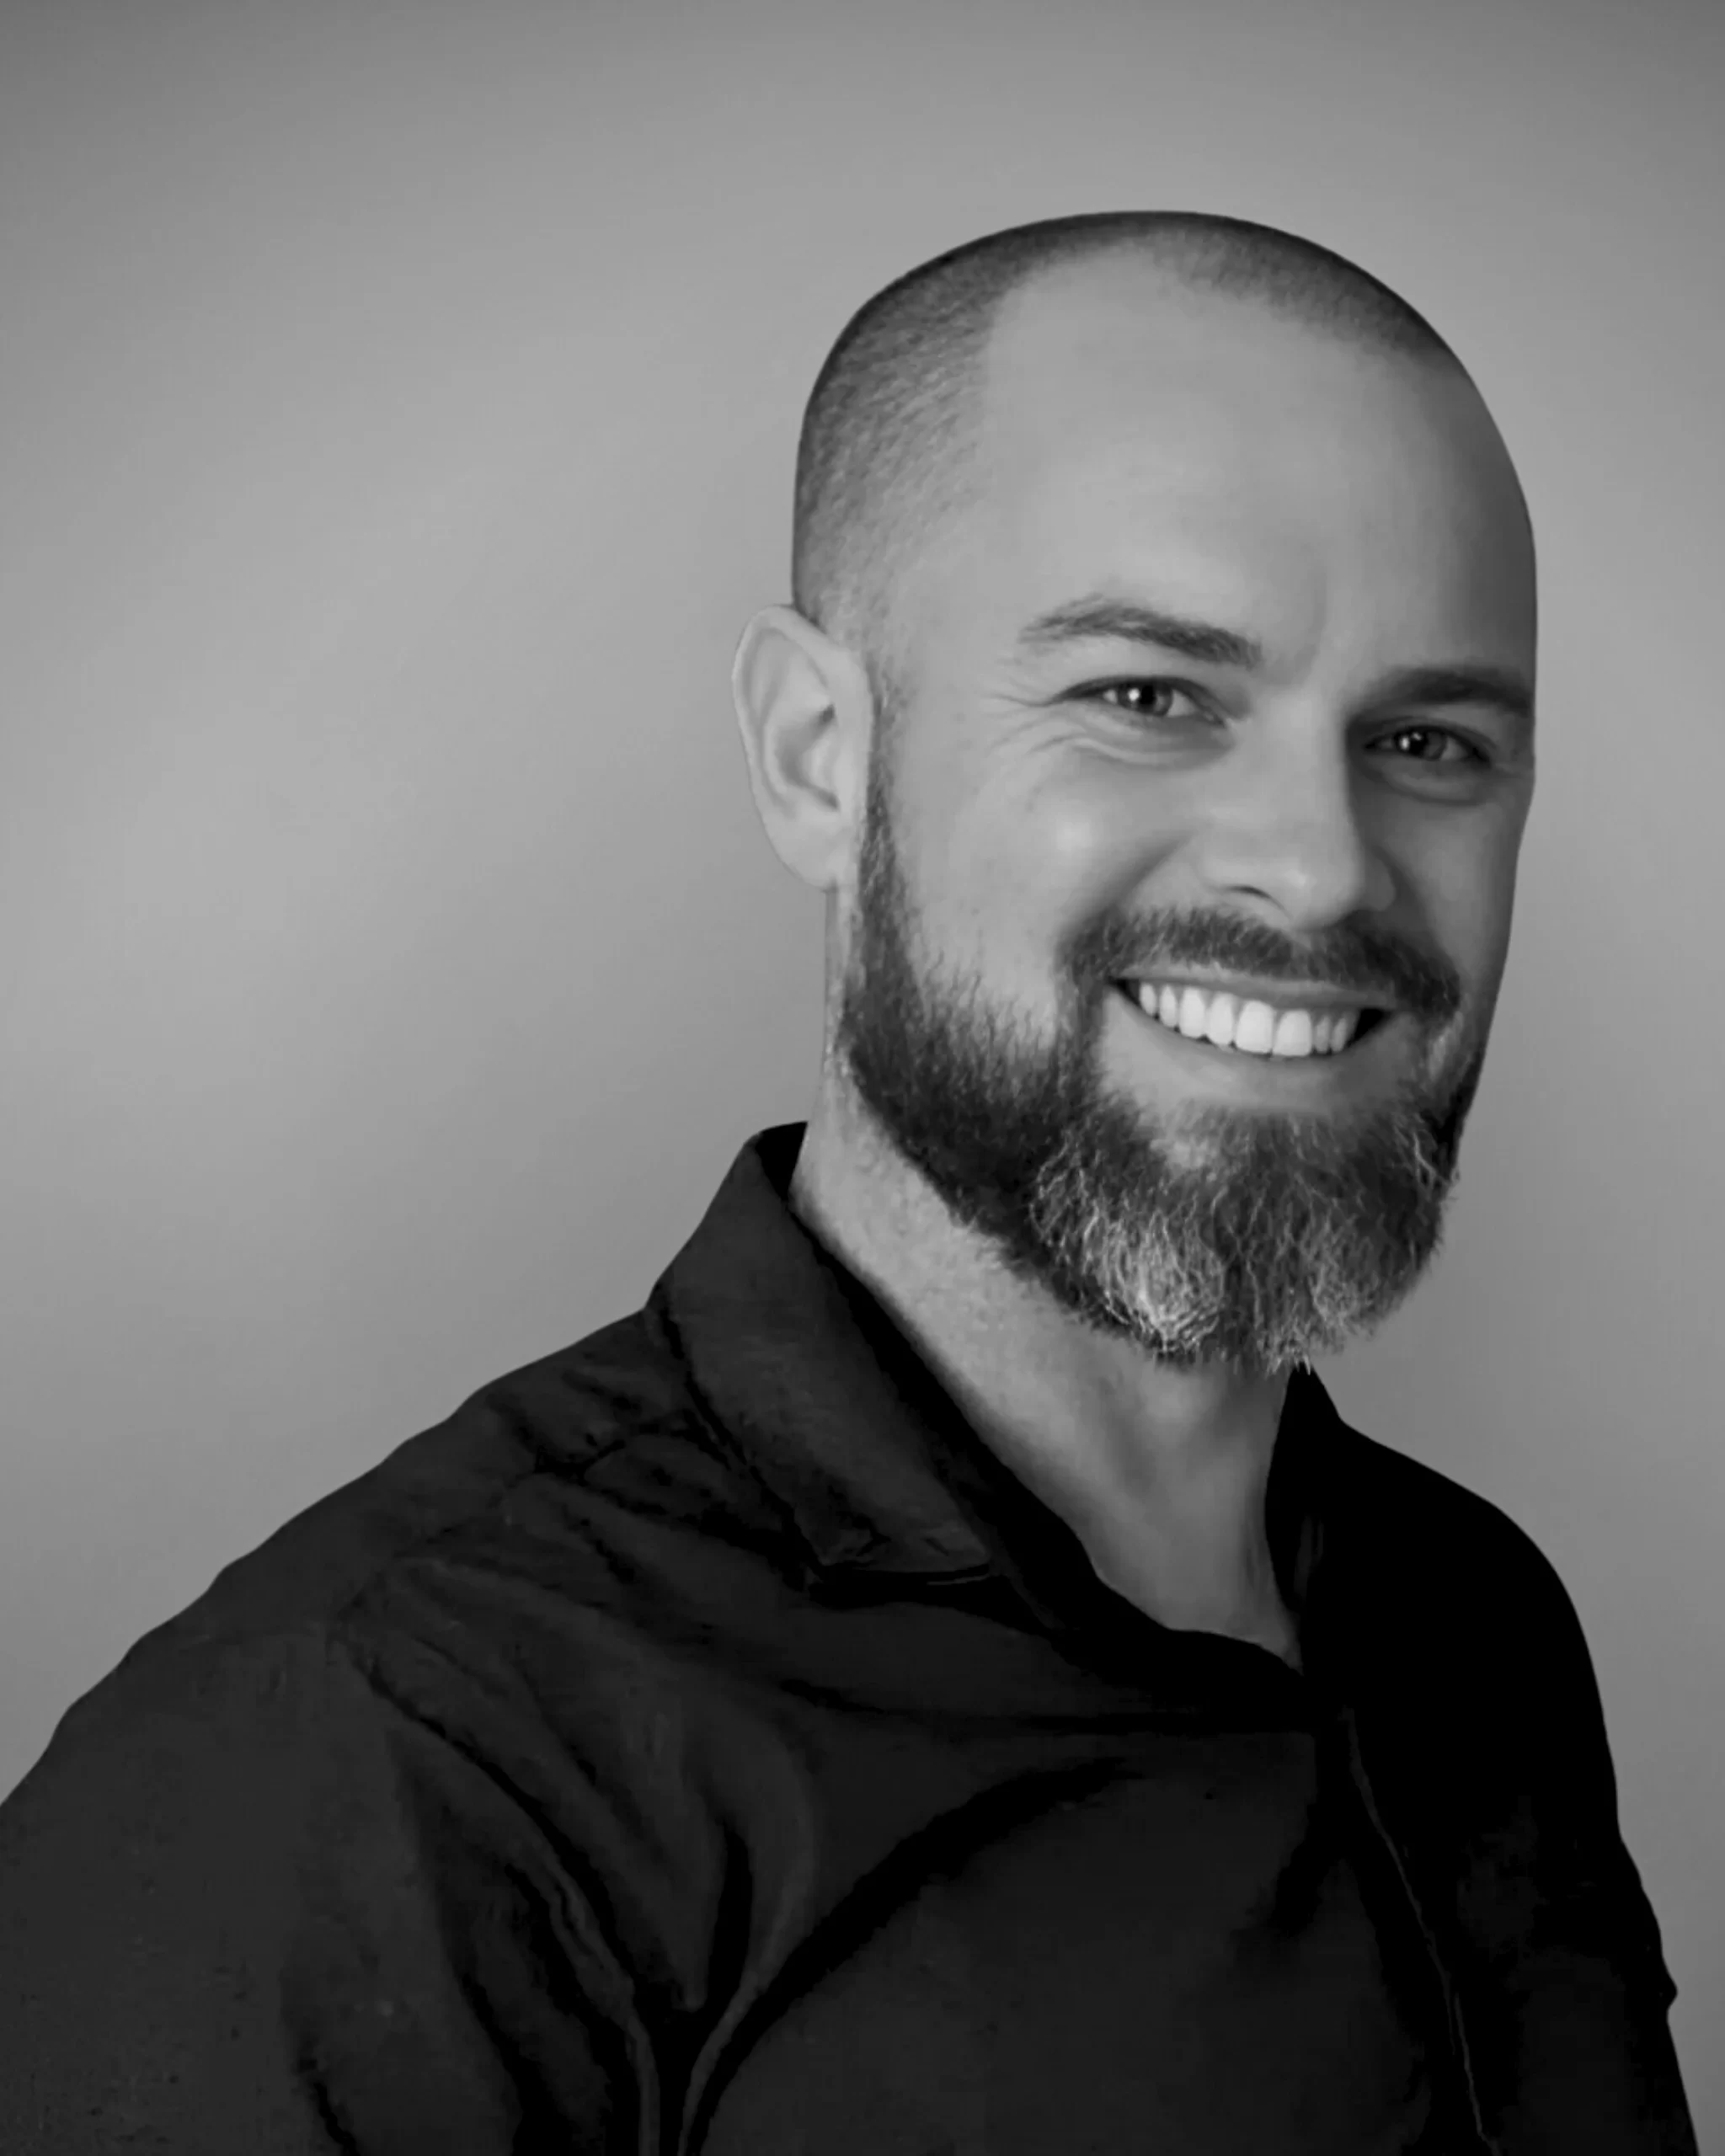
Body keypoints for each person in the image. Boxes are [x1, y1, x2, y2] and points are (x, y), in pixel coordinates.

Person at [0, 211, 1696, 2153]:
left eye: (1427, 739)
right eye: (1148, 695)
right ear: (820, 754)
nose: (1318, 865)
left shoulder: (1476, 1619)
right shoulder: (376, 1770)